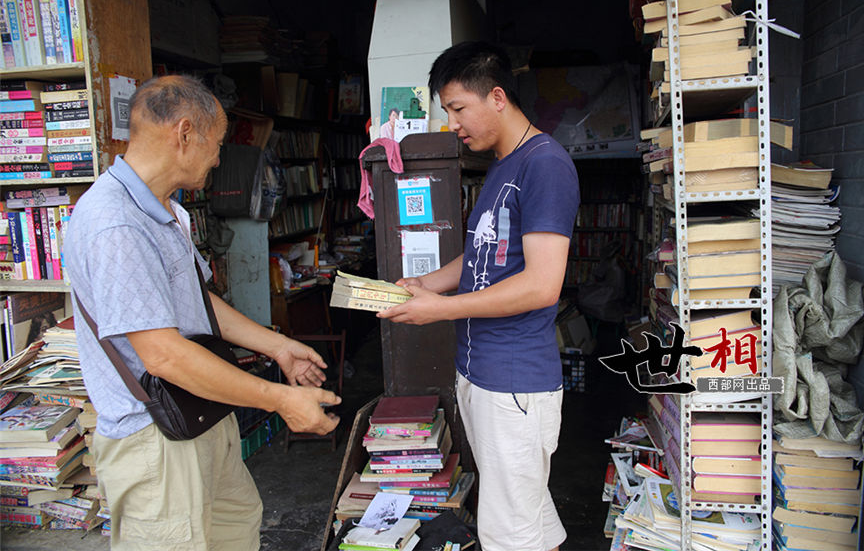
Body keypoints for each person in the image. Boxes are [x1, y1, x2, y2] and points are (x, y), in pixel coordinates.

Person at [66, 75, 340, 551]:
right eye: (215, 143)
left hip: (201, 414)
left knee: (236, 530)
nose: (218, 157)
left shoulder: (165, 208)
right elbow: (164, 356)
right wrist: (277, 399)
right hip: (156, 441)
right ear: (184, 133)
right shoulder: (115, 223)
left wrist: (278, 346)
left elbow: (197, 302)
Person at [378, 41, 580, 551]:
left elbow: (541, 284)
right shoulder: (501, 166)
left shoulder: (545, 165)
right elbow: (480, 259)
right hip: (483, 373)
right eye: (447, 111)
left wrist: (440, 310)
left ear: (496, 97)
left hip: (512, 382)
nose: (452, 123)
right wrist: (428, 285)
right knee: (524, 518)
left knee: (509, 533)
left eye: (457, 108)